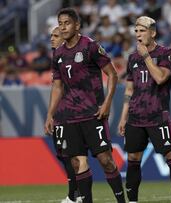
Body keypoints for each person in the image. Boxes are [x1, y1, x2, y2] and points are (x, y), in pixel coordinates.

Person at [44, 8, 125, 203]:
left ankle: (121, 200)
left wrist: (106, 103)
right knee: (77, 162)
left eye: (67, 23)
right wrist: (50, 115)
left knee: (106, 160)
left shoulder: (90, 46)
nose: (63, 27)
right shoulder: (58, 54)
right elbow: (57, 87)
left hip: (93, 114)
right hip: (70, 116)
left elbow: (113, 75)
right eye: (60, 23)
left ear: (77, 25)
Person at [118, 16, 171, 203]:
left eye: (142, 30)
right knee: (133, 158)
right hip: (135, 117)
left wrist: (146, 56)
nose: (138, 35)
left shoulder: (166, 53)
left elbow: (160, 78)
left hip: (158, 115)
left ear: (153, 32)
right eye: (136, 31)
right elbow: (129, 89)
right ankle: (132, 201)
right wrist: (123, 118)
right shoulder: (132, 57)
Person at [48, 26, 82, 203]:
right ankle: (77, 194)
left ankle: (74, 195)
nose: (51, 39)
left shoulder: (70, 59)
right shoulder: (56, 58)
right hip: (61, 114)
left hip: (71, 114)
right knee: (64, 155)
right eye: (51, 36)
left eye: (55, 35)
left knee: (70, 155)